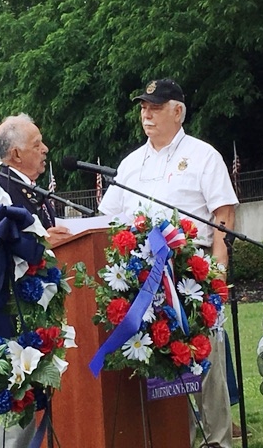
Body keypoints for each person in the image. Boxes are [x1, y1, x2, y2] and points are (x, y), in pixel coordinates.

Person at [98, 78, 239, 448]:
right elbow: (106, 220)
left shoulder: (203, 155)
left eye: (156, 107)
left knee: (205, 365)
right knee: (158, 362)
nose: (147, 113)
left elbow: (222, 214)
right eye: (143, 106)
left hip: (192, 275)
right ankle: (169, 439)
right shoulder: (130, 163)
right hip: (141, 282)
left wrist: (219, 273)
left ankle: (217, 441)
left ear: (178, 112)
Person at [0, 113, 70, 448]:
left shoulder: (34, 191)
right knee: (19, 404)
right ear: (16, 154)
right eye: (37, 144)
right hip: (10, 313)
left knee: (37, 404)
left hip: (40, 308)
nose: (45, 149)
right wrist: (44, 240)